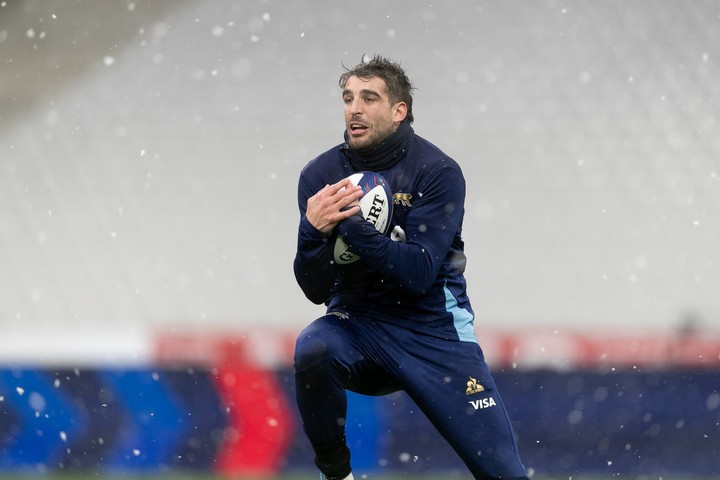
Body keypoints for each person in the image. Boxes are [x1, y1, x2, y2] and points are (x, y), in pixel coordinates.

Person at [292, 54, 529, 480]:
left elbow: (419, 273)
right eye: (348, 98)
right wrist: (311, 231)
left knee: (505, 475)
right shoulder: (321, 175)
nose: (354, 109)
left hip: (433, 330)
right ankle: (336, 474)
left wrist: (356, 229)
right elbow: (315, 289)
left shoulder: (437, 171)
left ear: (399, 111)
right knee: (313, 347)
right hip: (357, 324)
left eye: (369, 98)